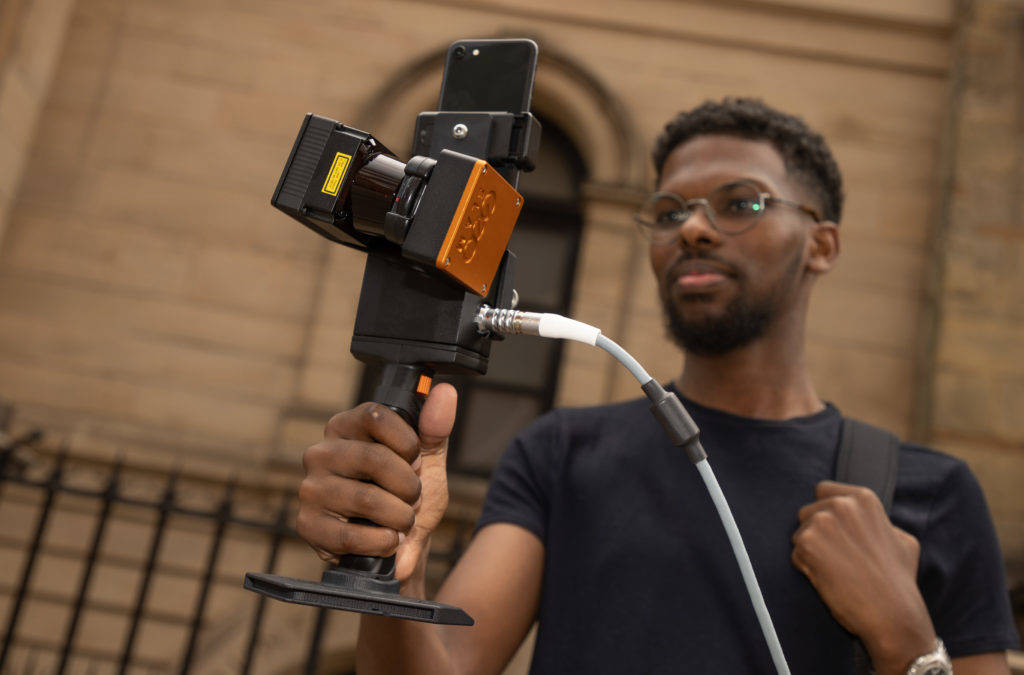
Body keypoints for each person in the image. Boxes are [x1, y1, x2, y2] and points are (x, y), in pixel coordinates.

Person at [295, 98, 1019, 674]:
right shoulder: (561, 455)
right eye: (668, 211)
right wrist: (397, 573)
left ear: (821, 244)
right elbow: (447, 665)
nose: (693, 229)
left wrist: (909, 647)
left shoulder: (935, 492)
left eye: (742, 202)